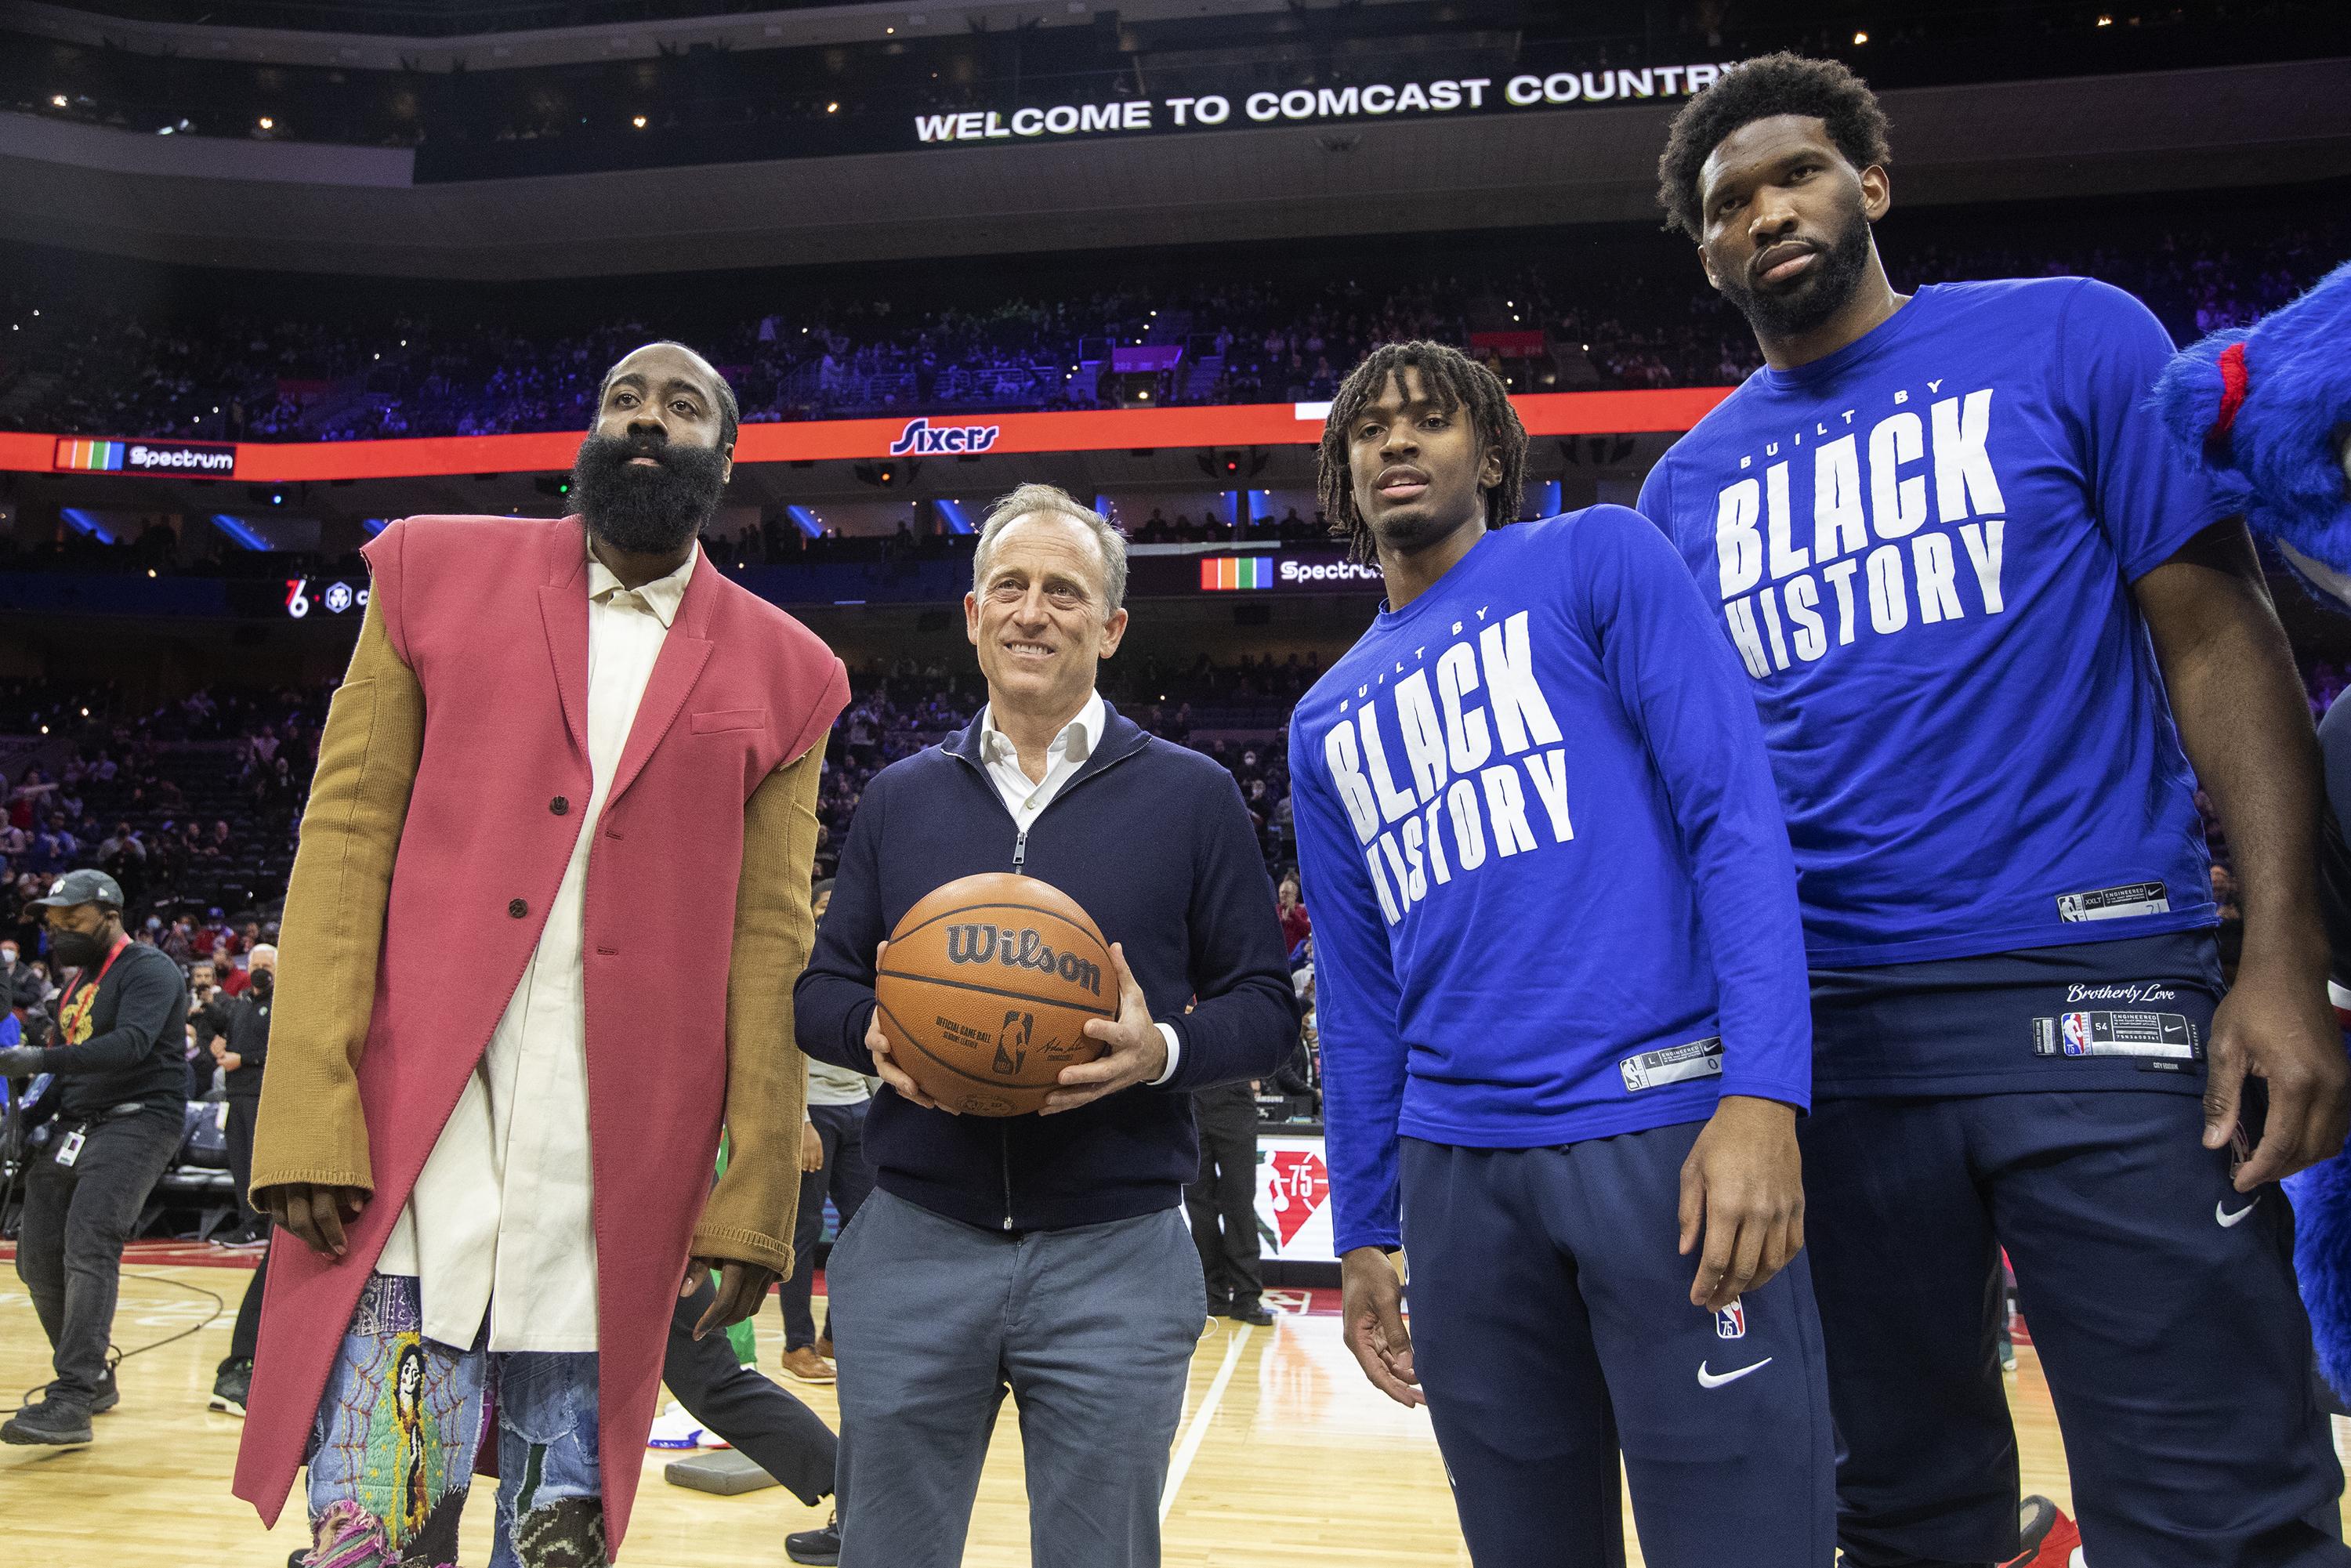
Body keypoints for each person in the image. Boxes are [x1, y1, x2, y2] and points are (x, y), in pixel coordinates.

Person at [1641, 54, 2351, 1567]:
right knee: (1896, 1515)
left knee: (2222, 1505)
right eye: (1729, 203)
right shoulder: (1682, 492)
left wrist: (2283, 955)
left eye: (1797, 174)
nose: (1768, 210)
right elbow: (1697, 808)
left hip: (2096, 991)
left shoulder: (2072, 335)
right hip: (1834, 1044)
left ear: (1872, 185)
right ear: (1705, 253)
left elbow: (2220, 636)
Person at [231, 340, 850, 1567]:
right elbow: (344, 839)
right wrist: (306, 1104)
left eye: (681, 409)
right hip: (416, 1126)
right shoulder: (427, 570)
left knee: (555, 1541)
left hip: (617, 1159)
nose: (645, 421)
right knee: (373, 1534)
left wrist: (759, 1186)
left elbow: (770, 941)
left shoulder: (794, 670)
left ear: (721, 460)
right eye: (624, 399)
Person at [1290, 342, 1829, 1565]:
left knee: (1741, 1541)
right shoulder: (1322, 718)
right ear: (1342, 474)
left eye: (1429, 420)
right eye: (1368, 429)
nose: (1396, 441)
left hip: (1660, 1131)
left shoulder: (1598, 555)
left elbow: (1734, 819)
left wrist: (1762, 1094)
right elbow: (1362, 997)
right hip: (1458, 1174)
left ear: (1490, 453)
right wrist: (1363, 1223)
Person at [797, 482, 1299, 1568]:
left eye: (1064, 592)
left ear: (1111, 628)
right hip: (917, 1236)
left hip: (1114, 1253)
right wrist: (869, 1034)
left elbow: (1264, 1007)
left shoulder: (1194, 795)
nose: (1033, 611)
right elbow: (821, 986)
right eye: (1009, 588)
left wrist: (1158, 1051)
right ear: (973, 617)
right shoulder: (898, 796)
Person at [0, 869, 191, 1446]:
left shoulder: (149, 970)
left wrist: (38, 1058)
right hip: (77, 1123)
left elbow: (129, 1044)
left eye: (71, 921)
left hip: (139, 1119)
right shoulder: (78, 982)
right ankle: (93, 1375)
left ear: (109, 913)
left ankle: (73, 1395)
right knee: (35, 1258)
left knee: (89, 1241)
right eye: (54, 924)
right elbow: (69, 1062)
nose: (59, 932)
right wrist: (27, 1118)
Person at [777, 881, 875, 1387]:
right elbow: (783, 1043)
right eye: (822, 906)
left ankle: (838, 1336)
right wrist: (800, 1121)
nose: (830, 914)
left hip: (859, 1105)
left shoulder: (862, 960)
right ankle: (797, 1343)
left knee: (864, 1230)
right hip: (814, 1108)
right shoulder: (797, 959)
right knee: (804, 1230)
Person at [197, 942, 275, 1244]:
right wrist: (220, 1045)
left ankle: (266, 1226)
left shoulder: (284, 1003)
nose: (259, 972)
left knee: (260, 1162)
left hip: (262, 1094)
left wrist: (243, 1059)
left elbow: (281, 1051)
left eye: (266, 967)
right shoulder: (241, 1000)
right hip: (234, 1094)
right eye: (255, 966)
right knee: (240, 1162)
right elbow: (226, 1038)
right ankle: (248, 1223)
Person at [1184, 1071, 1270, 1327]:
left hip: (1233, 1093)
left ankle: (1247, 1295)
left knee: (1240, 1201)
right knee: (1198, 1204)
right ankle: (1212, 1293)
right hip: (1188, 1095)